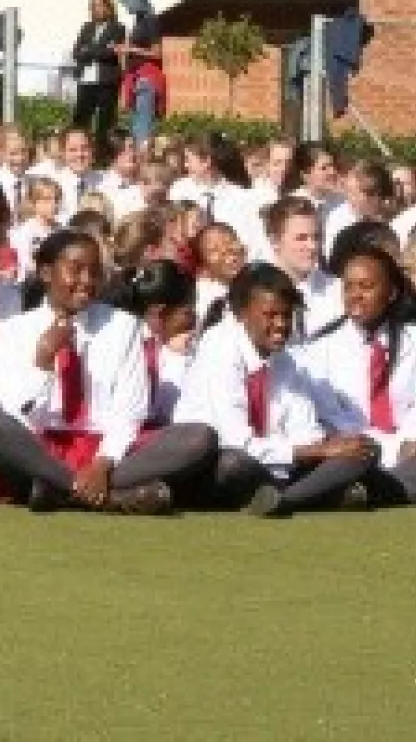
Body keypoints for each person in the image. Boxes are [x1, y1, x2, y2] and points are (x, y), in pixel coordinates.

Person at [0, 228, 216, 514]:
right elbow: (19, 414)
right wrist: (43, 362)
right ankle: (106, 497)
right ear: (46, 273)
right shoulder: (14, 330)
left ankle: (62, 491)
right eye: (76, 270)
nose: (87, 281)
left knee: (199, 438)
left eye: (95, 272)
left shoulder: (123, 326)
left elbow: (131, 409)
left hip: (110, 450)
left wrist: (103, 462)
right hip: (42, 448)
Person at [175, 262, 377, 516]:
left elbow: (306, 432)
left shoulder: (285, 359)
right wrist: (315, 450)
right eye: (270, 315)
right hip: (221, 465)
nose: (281, 324)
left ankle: (281, 500)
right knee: (233, 464)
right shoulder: (219, 347)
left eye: (286, 315)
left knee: (365, 449)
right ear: (241, 314)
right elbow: (237, 442)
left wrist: (330, 447)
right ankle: (304, 496)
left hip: (277, 467)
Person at [301, 246, 416, 506]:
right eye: (349, 287)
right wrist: (389, 446)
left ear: (392, 293)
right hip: (353, 452)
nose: (356, 295)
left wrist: (408, 439)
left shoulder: (413, 339)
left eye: (366, 286)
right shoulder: (319, 350)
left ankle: (365, 494)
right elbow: (329, 416)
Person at [114, 259, 198, 426]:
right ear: (158, 312)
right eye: (187, 312)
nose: (194, 318)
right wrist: (178, 358)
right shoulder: (146, 351)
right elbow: (176, 417)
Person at [264, 197, 341, 339]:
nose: (312, 246)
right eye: (301, 238)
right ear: (275, 241)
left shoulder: (338, 292)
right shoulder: (255, 294)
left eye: (316, 237)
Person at [70, 0, 126, 152]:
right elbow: (76, 52)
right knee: (80, 120)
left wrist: (89, 50)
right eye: (94, 6)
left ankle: (103, 154)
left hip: (106, 81)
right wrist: (98, 49)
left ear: (109, 8)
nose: (97, 9)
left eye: (101, 6)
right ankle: (79, 149)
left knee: (105, 122)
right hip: (86, 79)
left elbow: (111, 53)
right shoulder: (87, 27)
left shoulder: (118, 28)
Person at [117, 0, 164, 144]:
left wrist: (131, 48)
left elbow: (158, 53)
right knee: (137, 126)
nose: (126, 6)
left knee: (142, 127)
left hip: (147, 77)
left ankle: (144, 161)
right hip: (136, 77)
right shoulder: (139, 21)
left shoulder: (151, 21)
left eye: (129, 1)